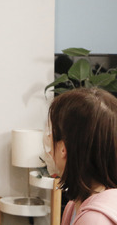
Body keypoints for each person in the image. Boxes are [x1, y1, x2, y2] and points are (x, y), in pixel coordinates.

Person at [45, 87, 117, 224]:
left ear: (63, 148)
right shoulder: (74, 205)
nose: (49, 138)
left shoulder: (95, 219)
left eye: (52, 132)